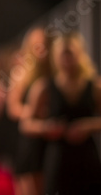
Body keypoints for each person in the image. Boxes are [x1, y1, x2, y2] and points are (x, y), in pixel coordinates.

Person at [21, 32, 101, 194]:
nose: (67, 62)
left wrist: (88, 126)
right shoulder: (44, 87)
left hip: (87, 155)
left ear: (80, 54)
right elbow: (26, 124)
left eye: (70, 55)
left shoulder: (94, 86)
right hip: (57, 155)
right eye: (63, 56)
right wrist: (47, 128)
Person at [6, 26, 50, 195]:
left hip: (49, 137)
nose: (41, 49)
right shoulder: (21, 73)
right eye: (36, 45)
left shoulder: (52, 71)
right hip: (28, 138)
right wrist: (35, 114)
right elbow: (13, 108)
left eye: (44, 44)